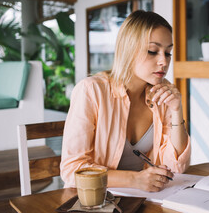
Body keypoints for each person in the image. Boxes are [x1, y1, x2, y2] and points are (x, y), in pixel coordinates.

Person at [60, 10, 191, 192]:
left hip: (144, 198)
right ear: (128, 49)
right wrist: (134, 179)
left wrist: (177, 110)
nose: (163, 61)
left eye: (168, 53)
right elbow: (71, 170)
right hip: (94, 199)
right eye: (153, 51)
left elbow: (176, 167)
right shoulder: (91, 90)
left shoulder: (162, 93)